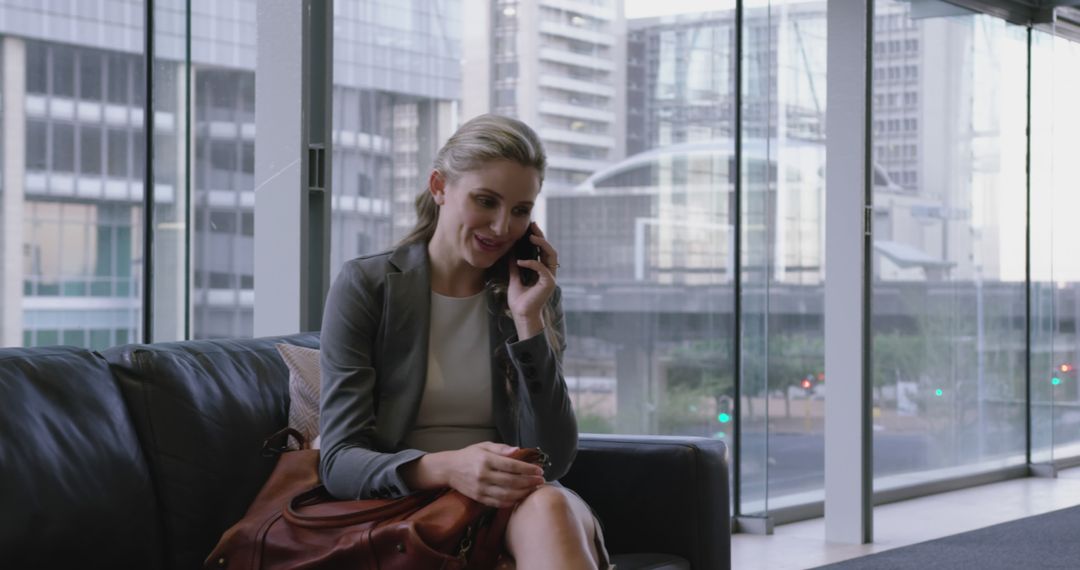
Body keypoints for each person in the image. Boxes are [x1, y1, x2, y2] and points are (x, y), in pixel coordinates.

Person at [319, 114, 610, 570]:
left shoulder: (530, 296)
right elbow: (338, 461)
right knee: (547, 508)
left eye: (520, 210)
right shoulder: (369, 285)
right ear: (440, 186)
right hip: (410, 501)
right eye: (485, 201)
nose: (500, 227)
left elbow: (552, 459)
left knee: (550, 504)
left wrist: (529, 320)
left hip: (514, 504)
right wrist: (450, 467)